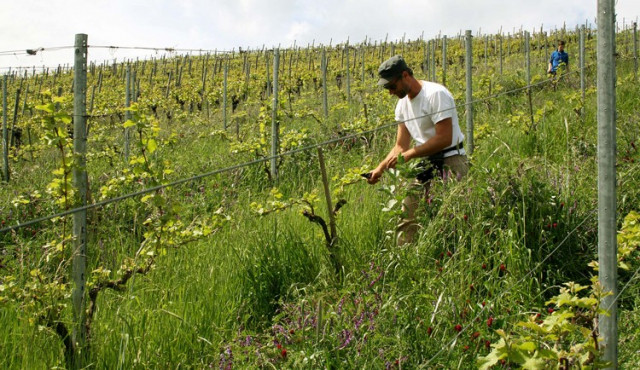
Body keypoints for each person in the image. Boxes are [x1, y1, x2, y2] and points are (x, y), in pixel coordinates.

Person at [366, 55, 469, 245]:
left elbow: (444, 139)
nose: (390, 92)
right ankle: (407, 258)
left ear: (405, 75)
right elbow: (400, 146)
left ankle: (455, 256)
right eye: (386, 88)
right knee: (407, 215)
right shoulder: (402, 105)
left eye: (391, 86)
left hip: (452, 159)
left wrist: (410, 154)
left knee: (454, 216)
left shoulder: (436, 94)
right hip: (425, 162)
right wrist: (380, 169)